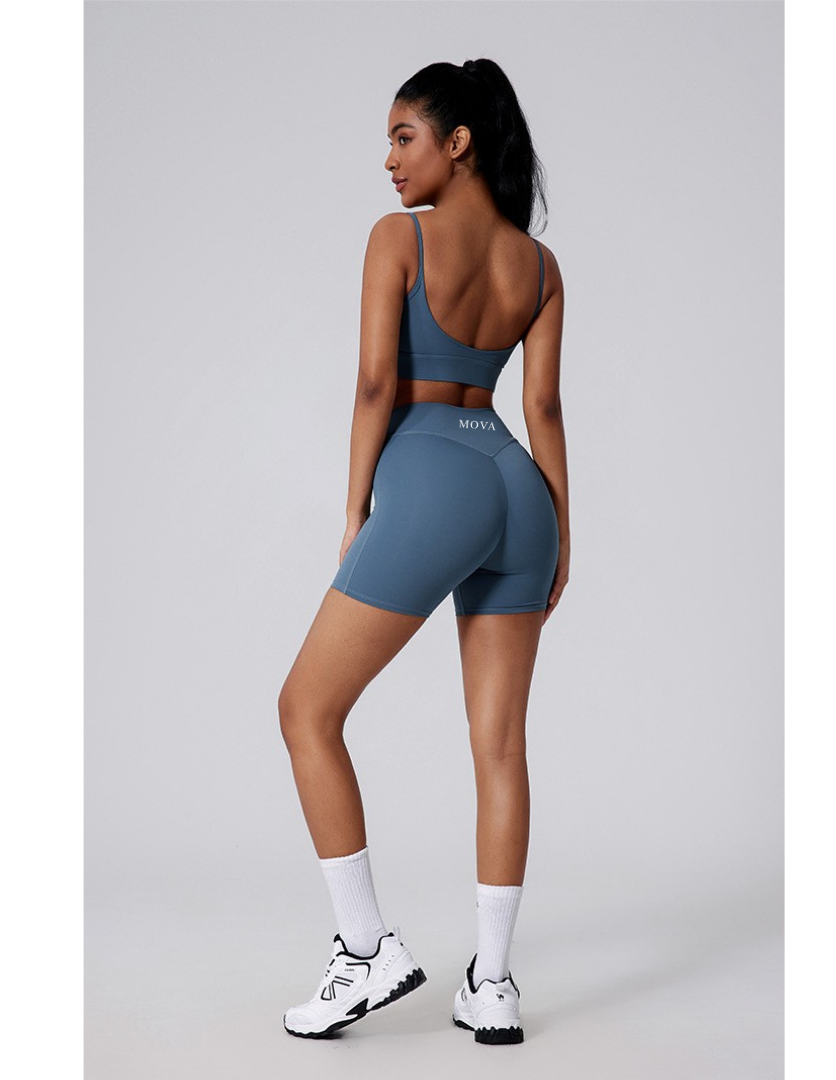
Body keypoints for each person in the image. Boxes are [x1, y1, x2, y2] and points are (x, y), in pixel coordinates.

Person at [278, 57, 570, 1045]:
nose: (390, 160)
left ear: (458, 143)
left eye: (404, 137)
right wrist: (561, 527)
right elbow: (543, 407)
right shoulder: (540, 267)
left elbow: (375, 385)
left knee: (306, 710)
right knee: (501, 746)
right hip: (518, 488)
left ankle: (366, 949)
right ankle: (493, 984)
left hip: (433, 479)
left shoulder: (397, 238)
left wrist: (357, 507)